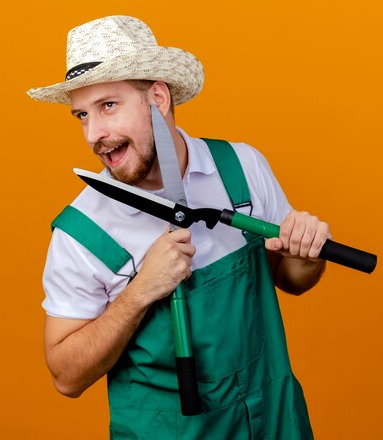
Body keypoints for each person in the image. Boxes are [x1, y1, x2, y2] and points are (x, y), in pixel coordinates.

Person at [28, 15, 331, 439]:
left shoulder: (241, 169)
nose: (93, 134)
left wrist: (306, 254)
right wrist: (139, 292)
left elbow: (292, 279)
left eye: (108, 106)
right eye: (82, 115)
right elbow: (66, 377)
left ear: (157, 98)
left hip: (274, 421)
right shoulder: (81, 233)